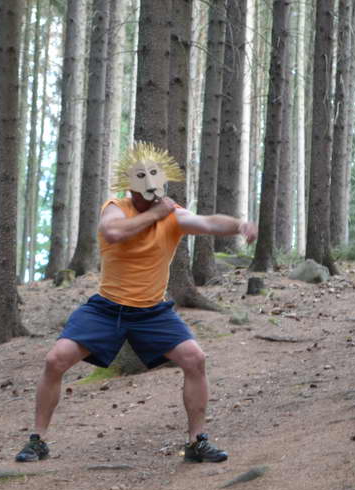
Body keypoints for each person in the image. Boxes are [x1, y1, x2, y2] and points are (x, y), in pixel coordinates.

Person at [16, 141, 257, 464]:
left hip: (152, 312)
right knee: (55, 360)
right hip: (107, 309)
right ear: (131, 187)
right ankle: (37, 441)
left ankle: (197, 442)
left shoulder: (173, 215)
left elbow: (208, 222)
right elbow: (113, 233)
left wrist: (239, 225)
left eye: (155, 186)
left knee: (195, 359)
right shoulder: (116, 207)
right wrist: (157, 214)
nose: (150, 194)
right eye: (142, 186)